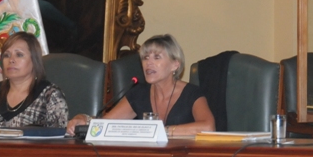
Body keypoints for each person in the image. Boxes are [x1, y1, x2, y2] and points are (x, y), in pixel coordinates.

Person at [66, 34, 216, 137]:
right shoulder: (138, 94)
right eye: (145, 58)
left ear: (175, 65)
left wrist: (161, 131)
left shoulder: (192, 94)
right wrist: (83, 119)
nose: (148, 63)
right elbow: (106, 124)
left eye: (157, 57)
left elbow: (208, 127)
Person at [0, 31, 69, 129]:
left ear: (34, 61)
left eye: (19, 55)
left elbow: (60, 138)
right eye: (6, 55)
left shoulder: (50, 95)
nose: (11, 60)